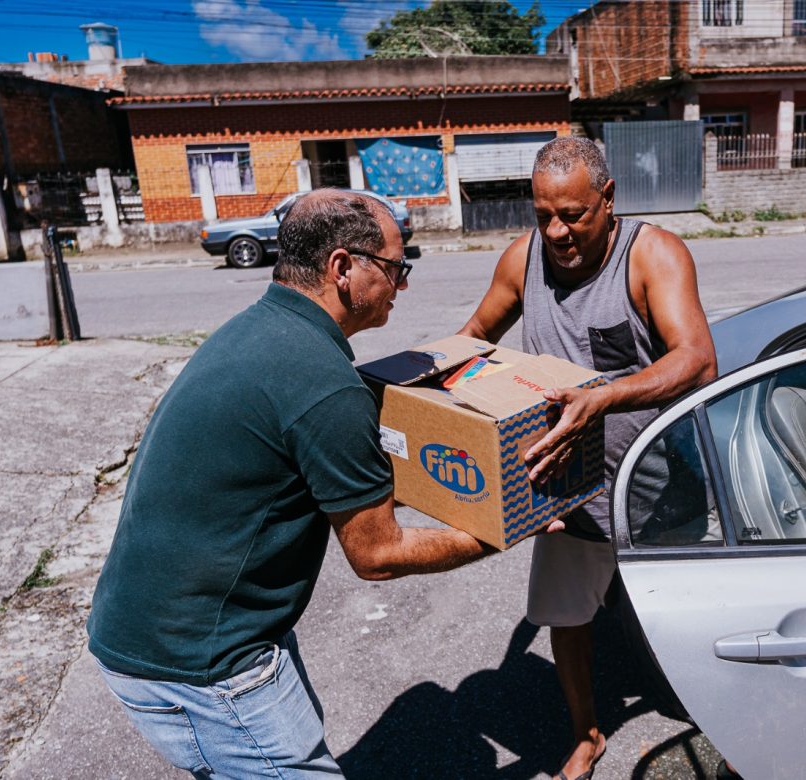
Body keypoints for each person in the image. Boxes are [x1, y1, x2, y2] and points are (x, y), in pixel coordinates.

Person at [87, 189, 557, 778]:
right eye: (394, 267)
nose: (402, 285)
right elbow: (377, 555)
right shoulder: (324, 386)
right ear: (342, 269)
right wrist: (507, 524)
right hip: (203, 665)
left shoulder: (260, 330)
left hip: (163, 630)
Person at [458, 137, 717, 780]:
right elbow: (470, 343)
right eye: (543, 213)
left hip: (658, 486)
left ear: (608, 200)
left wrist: (603, 396)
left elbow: (697, 358)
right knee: (566, 619)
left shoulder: (652, 254)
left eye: (572, 214)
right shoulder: (523, 260)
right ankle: (586, 734)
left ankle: (723, 719)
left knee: (683, 624)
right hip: (564, 491)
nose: (556, 231)